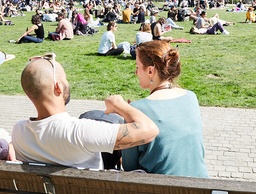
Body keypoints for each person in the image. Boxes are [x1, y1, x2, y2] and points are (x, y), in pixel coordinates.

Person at [11, 54, 159, 168]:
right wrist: (120, 104)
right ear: (58, 87)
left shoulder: (18, 132)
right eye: (65, 79)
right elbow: (150, 130)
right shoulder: (79, 132)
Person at [121, 40, 209, 177]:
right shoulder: (191, 97)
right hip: (202, 189)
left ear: (151, 71)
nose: (135, 72)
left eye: (137, 67)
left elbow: (129, 167)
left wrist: (128, 112)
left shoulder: (136, 111)